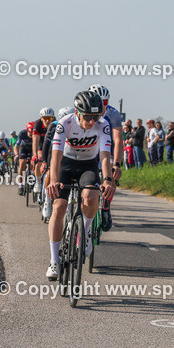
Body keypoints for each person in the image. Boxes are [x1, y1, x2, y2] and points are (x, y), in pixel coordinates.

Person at [44, 91, 115, 280]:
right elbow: (56, 155)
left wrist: (107, 179)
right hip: (65, 164)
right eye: (88, 117)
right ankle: (54, 260)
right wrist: (53, 180)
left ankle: (85, 233)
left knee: (91, 197)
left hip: (87, 165)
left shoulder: (103, 125)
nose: (92, 122)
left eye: (96, 116)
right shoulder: (65, 123)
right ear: (77, 112)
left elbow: (105, 156)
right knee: (58, 208)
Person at [88, 85, 125, 229]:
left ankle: (106, 207)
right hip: (89, 148)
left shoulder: (113, 113)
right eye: (99, 102)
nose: (103, 106)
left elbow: (117, 139)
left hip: (106, 148)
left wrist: (117, 163)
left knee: (110, 173)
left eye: (105, 102)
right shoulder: (83, 111)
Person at [40, 107, 71, 220]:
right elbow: (46, 144)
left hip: (68, 153)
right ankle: (47, 202)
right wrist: (44, 161)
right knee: (50, 172)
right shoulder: (54, 125)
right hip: (53, 151)